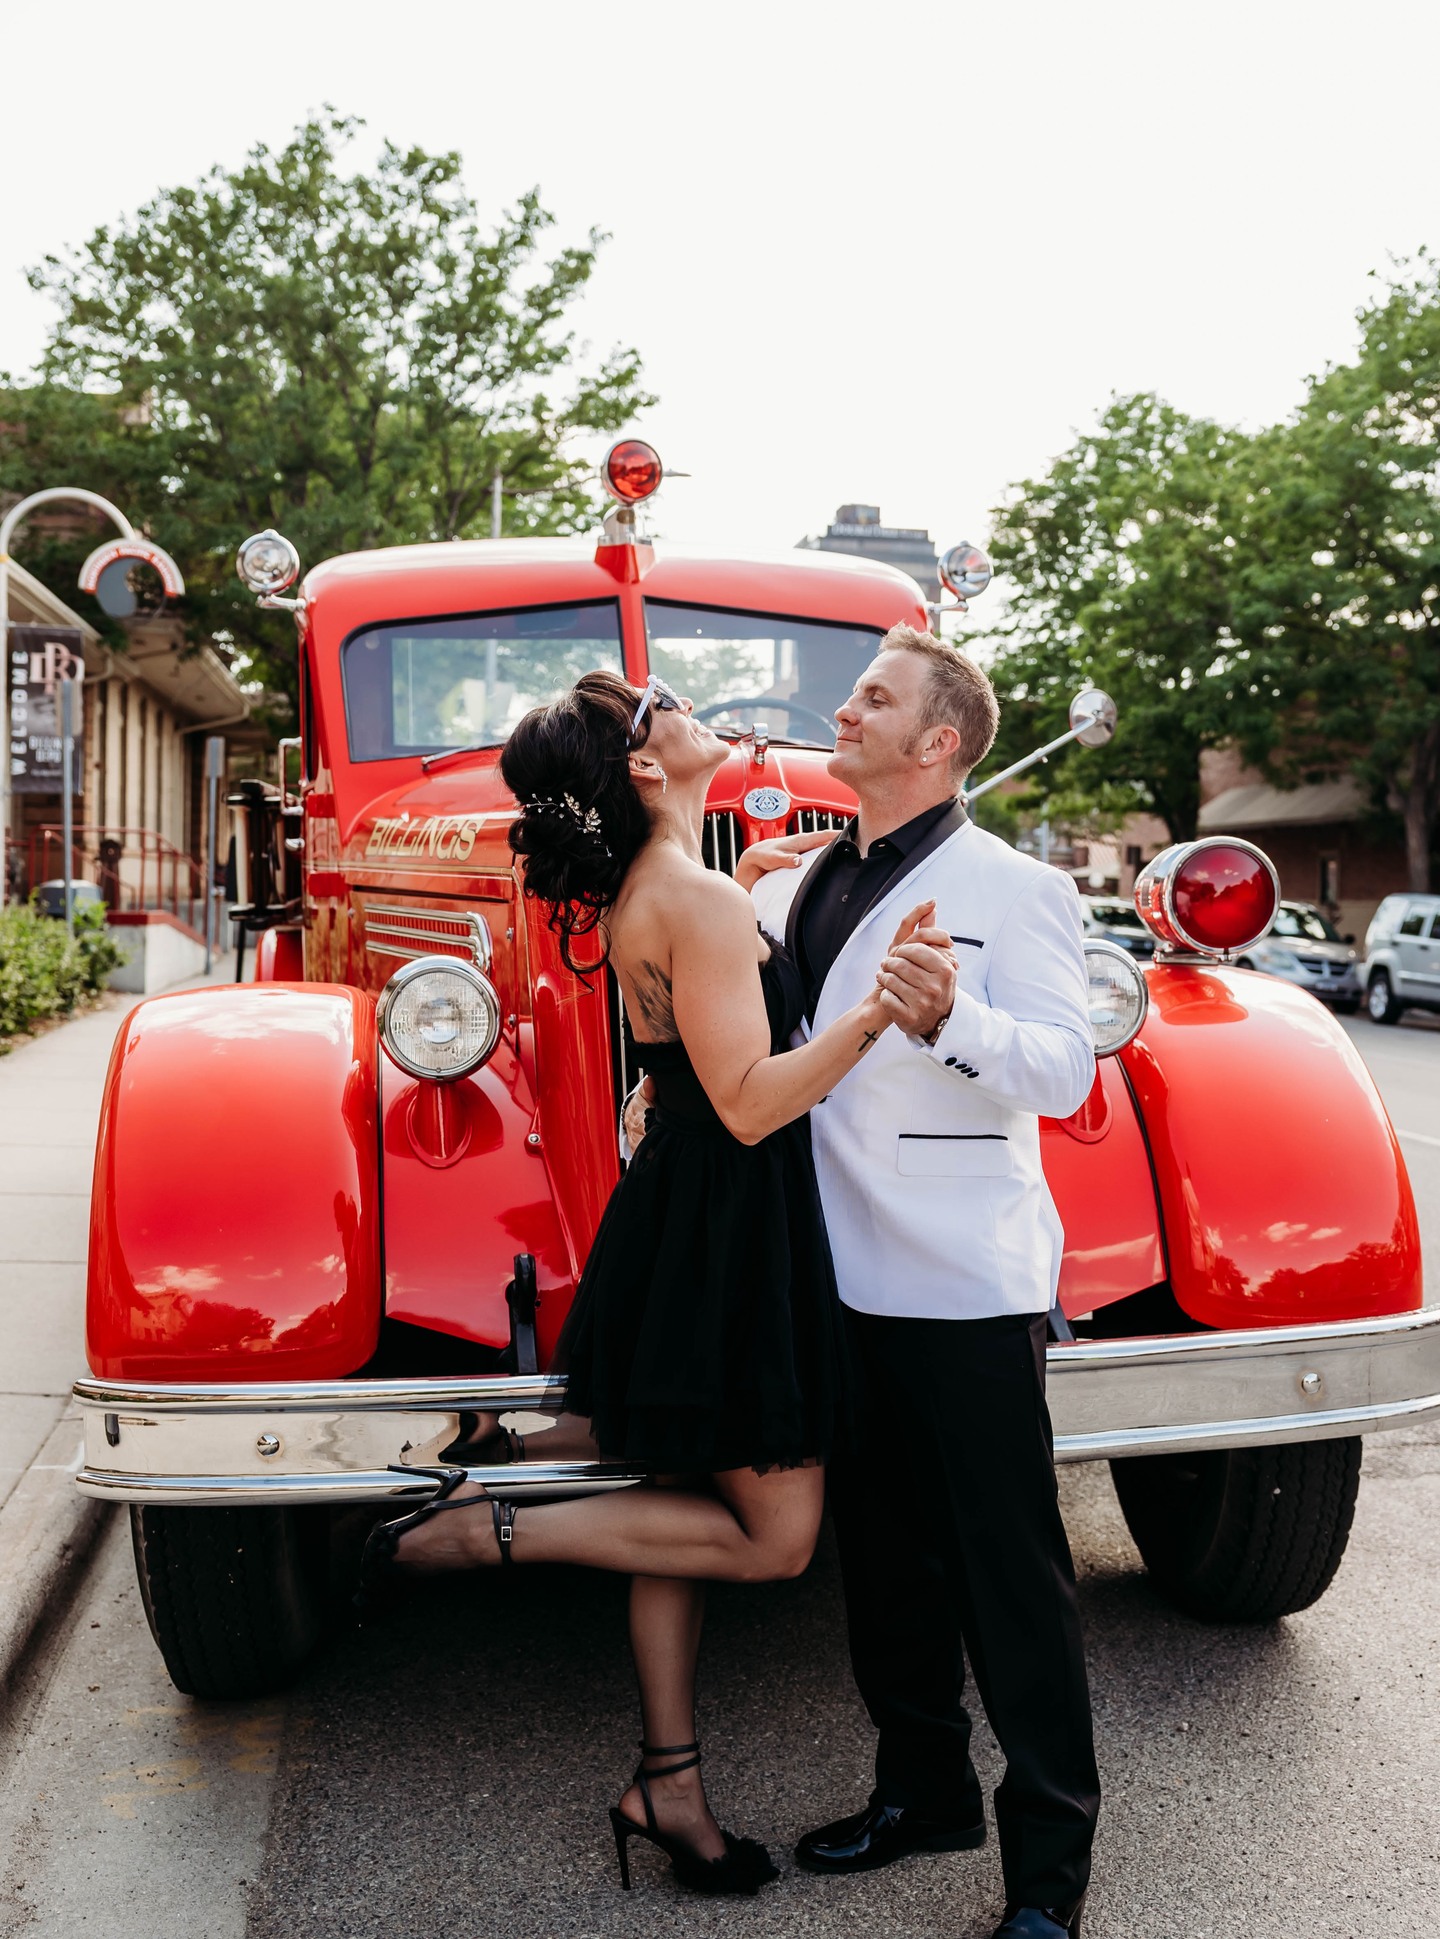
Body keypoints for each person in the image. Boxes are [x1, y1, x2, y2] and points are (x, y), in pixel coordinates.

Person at [358, 666, 949, 1900]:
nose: (692, 708)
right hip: (735, 1227)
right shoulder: (692, 900)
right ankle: (490, 1531)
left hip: (678, 1216)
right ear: (642, 764)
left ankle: (667, 1783)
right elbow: (748, 1104)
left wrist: (741, 896)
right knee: (780, 1539)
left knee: (672, 1499)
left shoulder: (660, 889)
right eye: (666, 704)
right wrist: (876, 1015)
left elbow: (684, 1049)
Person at [740, 623, 1102, 1939]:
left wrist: (955, 1018)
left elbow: (1068, 1072)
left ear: (938, 741)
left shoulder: (1021, 889)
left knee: (1014, 1584)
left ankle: (1049, 1879)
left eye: (873, 696)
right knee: (883, 1566)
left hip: (964, 1285)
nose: (845, 708)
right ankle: (923, 1790)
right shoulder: (795, 881)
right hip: (835, 1278)